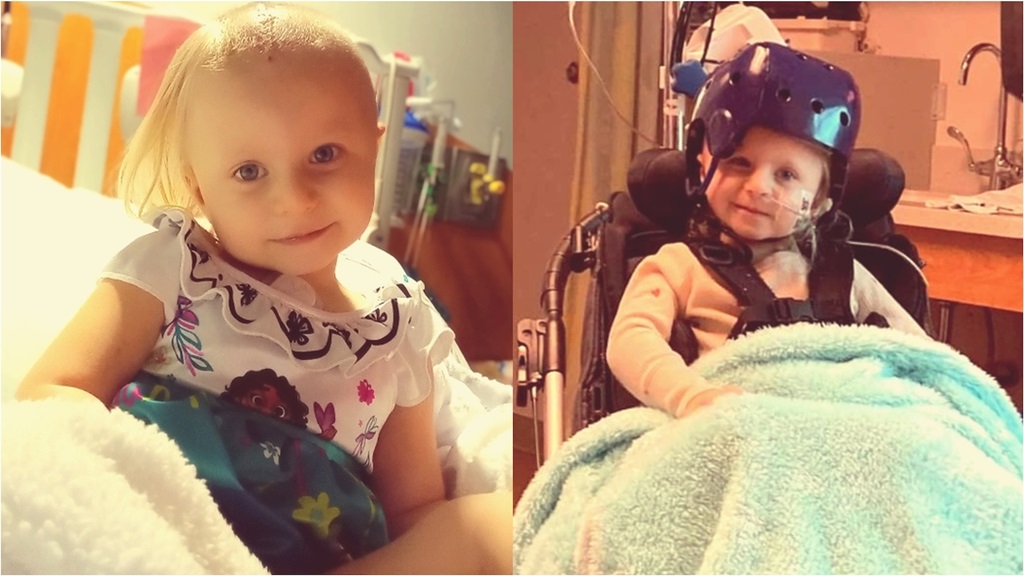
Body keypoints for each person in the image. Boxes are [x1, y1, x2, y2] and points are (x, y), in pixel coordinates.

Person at [16, 3, 511, 574]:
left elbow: (414, 508)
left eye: (324, 155)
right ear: (197, 189)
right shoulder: (174, 267)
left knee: (492, 526)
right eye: (249, 172)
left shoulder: (400, 329)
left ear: (374, 150)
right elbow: (54, 389)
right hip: (161, 528)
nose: (294, 200)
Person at [607, 42, 928, 420]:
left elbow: (921, 356)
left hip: (841, 422)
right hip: (731, 422)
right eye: (739, 162)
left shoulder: (844, 274)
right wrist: (690, 396)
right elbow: (630, 341)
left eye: (786, 175)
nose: (759, 186)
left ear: (822, 198)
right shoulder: (677, 267)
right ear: (700, 166)